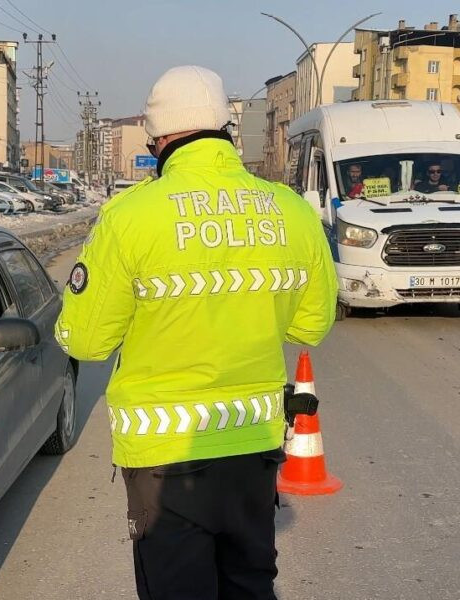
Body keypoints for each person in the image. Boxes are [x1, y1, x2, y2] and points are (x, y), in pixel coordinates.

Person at [56, 65, 338, 600]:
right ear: (226, 130)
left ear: (159, 138)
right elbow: (311, 325)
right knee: (250, 585)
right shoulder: (292, 211)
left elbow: (87, 341)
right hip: (254, 446)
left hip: (165, 457)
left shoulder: (130, 216)